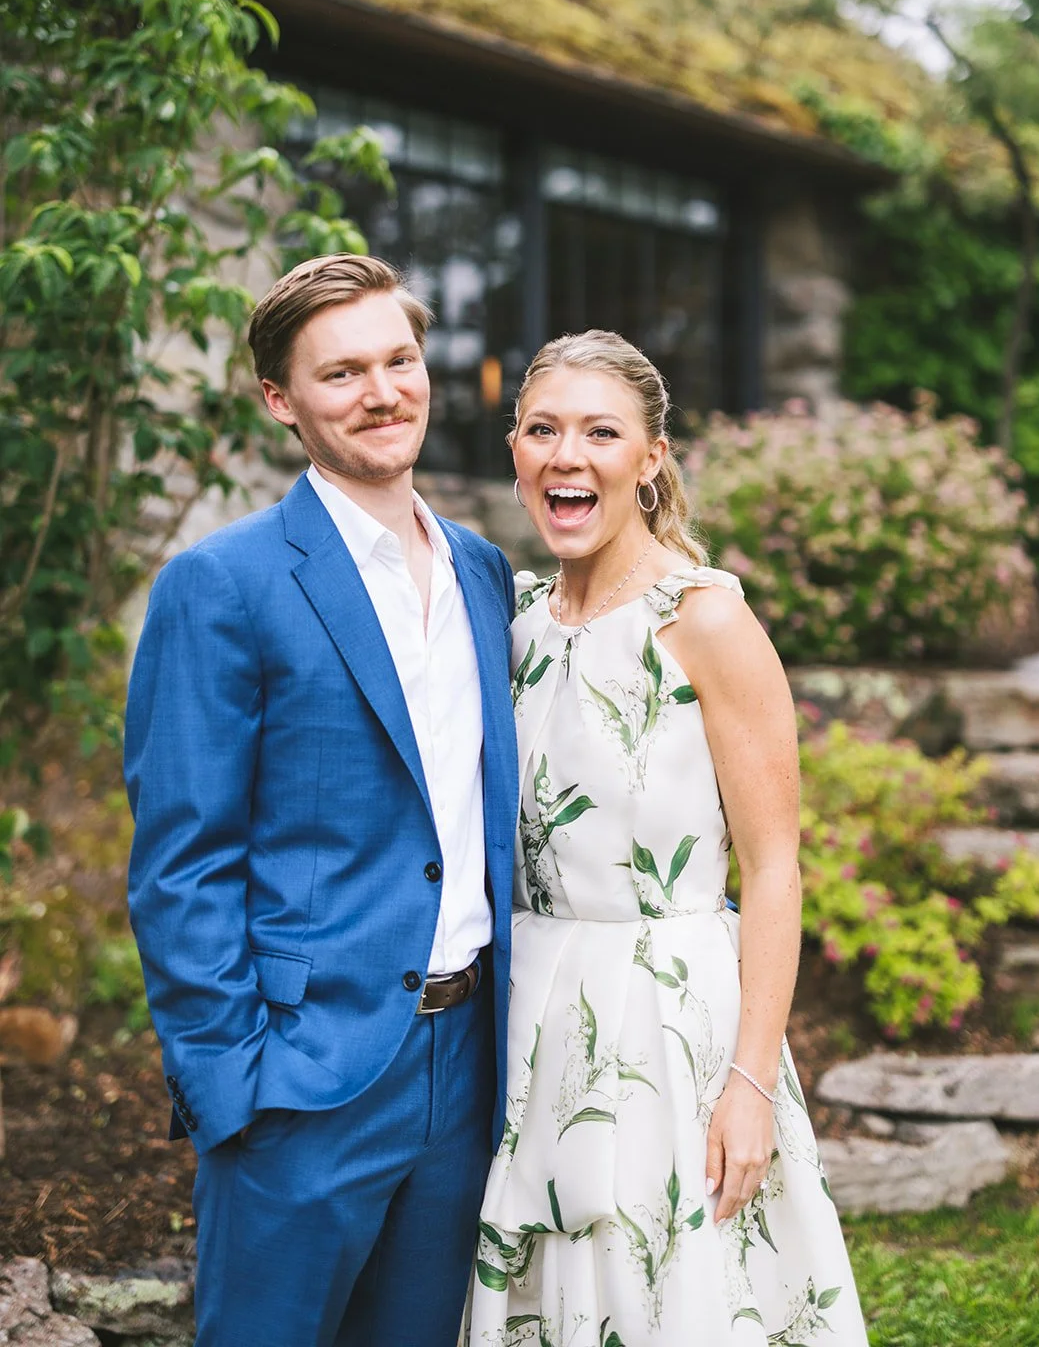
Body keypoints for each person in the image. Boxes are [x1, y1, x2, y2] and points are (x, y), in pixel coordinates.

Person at [125, 254, 518, 1347]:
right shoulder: (223, 582)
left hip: (466, 1065)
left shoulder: (483, 570)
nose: (384, 391)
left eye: (399, 358)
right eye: (341, 372)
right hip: (303, 1080)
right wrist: (233, 1084)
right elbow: (180, 859)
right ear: (278, 400)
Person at [468, 331, 867, 1346]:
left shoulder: (703, 620)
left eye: (600, 432)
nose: (568, 455)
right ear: (513, 447)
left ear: (648, 459)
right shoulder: (509, 622)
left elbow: (774, 869)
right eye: (543, 429)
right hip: (535, 1024)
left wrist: (748, 1082)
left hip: (672, 1025)